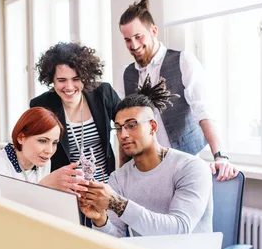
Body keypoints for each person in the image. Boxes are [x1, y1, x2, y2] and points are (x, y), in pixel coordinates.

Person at [118, 0, 238, 181]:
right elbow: (123, 126)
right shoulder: (125, 75)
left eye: (138, 36)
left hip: (184, 166)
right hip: (143, 169)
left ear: (154, 31)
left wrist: (220, 156)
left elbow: (203, 111)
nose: (133, 45)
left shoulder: (184, 62)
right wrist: (122, 172)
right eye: (127, 40)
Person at [79, 78, 213, 238]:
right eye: (119, 128)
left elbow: (179, 229)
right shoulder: (119, 178)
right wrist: (100, 219)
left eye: (132, 125)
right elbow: (116, 238)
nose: (123, 135)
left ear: (153, 127)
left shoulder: (191, 168)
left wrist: (117, 204)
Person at [30, 42, 121, 184]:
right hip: (68, 189)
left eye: (76, 79)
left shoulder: (103, 93)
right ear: (51, 80)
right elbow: (33, 149)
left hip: (106, 185)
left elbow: (128, 124)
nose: (69, 86)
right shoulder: (42, 105)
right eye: (61, 80)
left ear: (85, 76)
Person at [0, 107, 88, 196]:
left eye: (54, 143)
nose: (49, 151)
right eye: (42, 141)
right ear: (21, 138)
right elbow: (3, 213)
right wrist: (43, 186)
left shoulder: (43, 162)